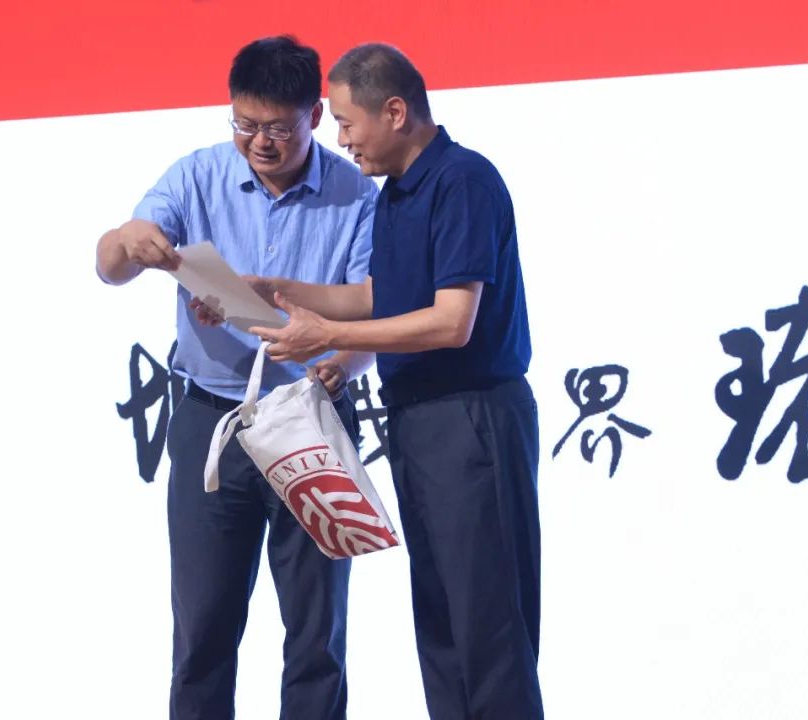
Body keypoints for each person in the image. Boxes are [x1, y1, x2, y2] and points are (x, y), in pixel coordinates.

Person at [248, 43, 544, 719]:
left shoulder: (463, 181)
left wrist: (330, 336)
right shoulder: (395, 196)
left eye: (346, 123)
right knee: (441, 628)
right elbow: (379, 296)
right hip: (419, 424)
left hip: (473, 421)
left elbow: (451, 321)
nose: (341, 139)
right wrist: (278, 290)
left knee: (488, 629)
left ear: (395, 111)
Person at [95, 36, 377, 720]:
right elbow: (109, 263)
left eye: (277, 128)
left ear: (314, 115)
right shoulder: (196, 176)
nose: (260, 142)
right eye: (245, 124)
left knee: (316, 634)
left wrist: (340, 364)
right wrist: (129, 241)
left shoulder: (357, 195)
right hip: (211, 423)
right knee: (202, 628)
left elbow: (374, 309)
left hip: (310, 420)